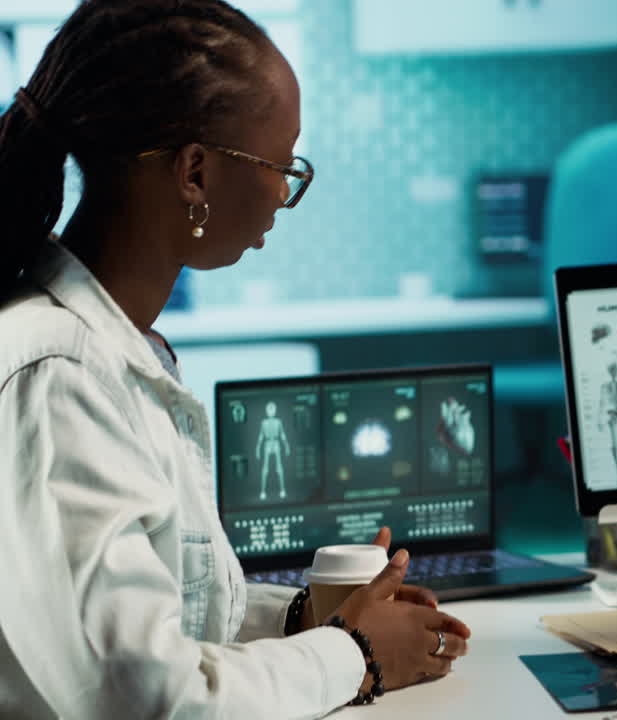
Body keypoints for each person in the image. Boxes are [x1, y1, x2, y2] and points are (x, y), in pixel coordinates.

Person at [0, 2, 470, 717]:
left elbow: (161, 611)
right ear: (194, 173)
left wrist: (306, 620)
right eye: (279, 164)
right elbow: (149, 696)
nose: (284, 195)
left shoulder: (121, 353)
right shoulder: (58, 375)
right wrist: (357, 655)